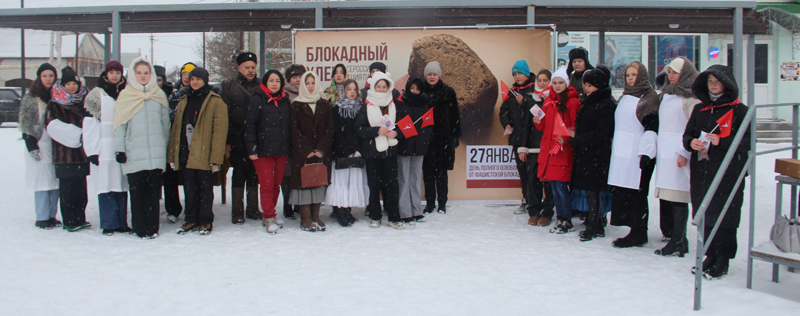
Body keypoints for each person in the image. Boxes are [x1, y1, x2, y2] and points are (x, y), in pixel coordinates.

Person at [683, 65, 749, 279]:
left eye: (716, 80)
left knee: (725, 216)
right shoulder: (700, 109)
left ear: (726, 83)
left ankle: (722, 259)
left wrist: (722, 141)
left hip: (728, 172)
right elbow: (688, 135)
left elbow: (748, 141)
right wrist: (691, 142)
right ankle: (709, 254)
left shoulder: (740, 111)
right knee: (705, 213)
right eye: (709, 80)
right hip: (702, 169)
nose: (712, 84)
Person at [113, 57, 170, 239]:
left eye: (146, 73)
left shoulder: (158, 95)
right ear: (132, 74)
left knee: (153, 194)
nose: (143, 76)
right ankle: (139, 227)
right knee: (137, 193)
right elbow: (119, 125)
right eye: (139, 73)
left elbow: (165, 125)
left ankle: (152, 227)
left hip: (155, 153)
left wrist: (165, 147)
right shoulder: (125, 95)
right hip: (134, 152)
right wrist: (119, 149)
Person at [168, 67, 228, 235]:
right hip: (186, 152)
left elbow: (220, 132)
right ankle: (190, 219)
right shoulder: (184, 99)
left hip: (204, 153)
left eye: (198, 79)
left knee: (205, 189)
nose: (194, 82)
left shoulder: (215, 101)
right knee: (190, 188)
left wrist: (215, 157)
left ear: (205, 80)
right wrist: (174, 153)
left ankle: (205, 220)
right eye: (192, 79)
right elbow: (176, 128)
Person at [607, 61, 659, 248]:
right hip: (622, 154)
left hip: (639, 155)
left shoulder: (649, 98)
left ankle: (639, 232)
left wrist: (646, 153)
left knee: (638, 194)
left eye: (634, 75)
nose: (630, 78)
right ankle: (632, 228)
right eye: (627, 75)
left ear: (642, 76)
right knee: (625, 193)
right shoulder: (624, 97)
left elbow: (652, 127)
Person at [654, 57, 700, 257]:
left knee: (678, 198)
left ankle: (678, 239)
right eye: (669, 72)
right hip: (665, 154)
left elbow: (696, 127)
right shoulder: (667, 95)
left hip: (679, 155)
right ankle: (677, 237)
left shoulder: (691, 98)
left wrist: (685, 152)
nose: (670, 76)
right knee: (668, 197)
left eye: (675, 72)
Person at [499, 61, 554, 226]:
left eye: (519, 73)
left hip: (539, 141)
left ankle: (546, 207)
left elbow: (540, 117)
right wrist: (507, 123)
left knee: (544, 177)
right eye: (514, 74)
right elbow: (504, 111)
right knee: (526, 175)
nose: (517, 76)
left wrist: (526, 103)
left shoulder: (535, 94)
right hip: (520, 139)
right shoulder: (512, 92)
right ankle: (529, 202)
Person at [83, 60, 131, 236]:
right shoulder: (95, 95)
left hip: (121, 146)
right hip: (102, 147)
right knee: (105, 185)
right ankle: (109, 223)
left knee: (120, 185)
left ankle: (121, 222)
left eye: (118, 72)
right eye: (111, 72)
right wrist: (92, 151)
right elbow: (89, 124)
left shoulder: (127, 93)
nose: (114, 75)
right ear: (105, 74)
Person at [570, 66, 616, 241]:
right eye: (585, 84)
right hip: (588, 153)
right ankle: (595, 225)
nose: (587, 88)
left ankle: (594, 227)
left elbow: (603, 132)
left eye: (590, 85)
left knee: (593, 191)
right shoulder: (590, 101)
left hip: (597, 154)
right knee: (591, 191)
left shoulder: (605, 103)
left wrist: (579, 139)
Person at [533, 68, 580, 233]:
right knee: (553, 187)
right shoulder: (548, 102)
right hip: (549, 151)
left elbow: (575, 126)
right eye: (555, 82)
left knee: (561, 187)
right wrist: (537, 120)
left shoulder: (573, 102)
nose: (557, 85)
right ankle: (560, 218)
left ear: (567, 83)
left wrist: (567, 139)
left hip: (562, 150)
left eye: (561, 82)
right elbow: (543, 126)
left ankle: (566, 219)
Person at [355, 71, 404, 229]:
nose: (382, 89)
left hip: (390, 152)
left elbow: (404, 126)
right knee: (374, 185)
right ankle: (375, 216)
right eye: (379, 86)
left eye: (385, 86)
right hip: (372, 153)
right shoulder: (366, 106)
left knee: (392, 186)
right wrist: (376, 131)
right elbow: (359, 129)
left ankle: (394, 217)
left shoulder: (394, 105)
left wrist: (396, 133)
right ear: (373, 87)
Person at [245, 69, 291, 234]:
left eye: (277, 81)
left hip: (282, 149)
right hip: (263, 151)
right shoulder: (257, 100)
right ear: (265, 82)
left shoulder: (285, 100)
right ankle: (268, 216)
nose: (274, 84)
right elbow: (250, 126)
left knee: (277, 184)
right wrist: (252, 148)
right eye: (271, 80)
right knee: (266, 185)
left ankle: (271, 212)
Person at [45, 66, 90, 232]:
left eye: (74, 84)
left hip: (82, 154)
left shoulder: (84, 102)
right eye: (68, 84)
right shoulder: (55, 104)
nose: (72, 87)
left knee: (81, 189)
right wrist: (77, 135)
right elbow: (52, 126)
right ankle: (70, 220)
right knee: (67, 190)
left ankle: (81, 217)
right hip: (64, 155)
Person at [288, 71, 334, 232]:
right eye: (307, 83)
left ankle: (316, 216)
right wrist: (306, 150)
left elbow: (330, 129)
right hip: (303, 154)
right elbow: (294, 131)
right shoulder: (296, 105)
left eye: (312, 83)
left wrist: (321, 149)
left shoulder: (325, 104)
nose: (310, 86)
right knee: (304, 184)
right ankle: (306, 218)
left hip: (321, 153)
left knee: (318, 183)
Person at [221, 52, 262, 224]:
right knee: (238, 174)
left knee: (254, 174)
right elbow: (224, 114)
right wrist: (227, 140)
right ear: (239, 68)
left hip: (257, 139)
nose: (250, 70)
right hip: (236, 138)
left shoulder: (262, 85)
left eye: (253, 67)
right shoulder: (229, 86)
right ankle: (237, 212)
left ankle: (252, 209)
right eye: (247, 67)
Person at [19, 63, 60, 229]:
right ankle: (42, 217)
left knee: (54, 182)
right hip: (39, 145)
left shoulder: (58, 95)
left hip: (56, 146)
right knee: (42, 182)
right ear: (39, 77)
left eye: (51, 76)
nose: (48, 79)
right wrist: (31, 145)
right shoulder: (31, 98)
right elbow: (26, 124)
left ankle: (52, 215)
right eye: (45, 76)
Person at [325, 78, 368, 227]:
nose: (352, 92)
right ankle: (340, 211)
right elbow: (335, 132)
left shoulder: (362, 108)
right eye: (349, 89)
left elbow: (361, 130)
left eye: (354, 89)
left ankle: (347, 210)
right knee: (341, 184)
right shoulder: (336, 108)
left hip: (356, 153)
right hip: (341, 152)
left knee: (352, 183)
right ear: (344, 91)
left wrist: (357, 149)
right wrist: (344, 150)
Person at [421, 61, 462, 214]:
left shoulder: (448, 92)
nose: (432, 77)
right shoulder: (420, 91)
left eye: (435, 74)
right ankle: (429, 203)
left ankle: (442, 204)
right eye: (429, 74)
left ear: (439, 75)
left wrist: (455, 135)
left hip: (443, 139)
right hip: (426, 140)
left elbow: (454, 115)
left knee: (442, 174)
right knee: (428, 173)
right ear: (425, 76)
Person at [396, 76, 433, 224]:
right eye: (412, 88)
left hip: (419, 148)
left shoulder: (424, 104)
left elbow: (429, 125)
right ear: (408, 88)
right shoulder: (400, 103)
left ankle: (416, 210)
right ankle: (405, 212)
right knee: (404, 179)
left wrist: (426, 137)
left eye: (417, 88)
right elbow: (397, 124)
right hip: (404, 147)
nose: (415, 91)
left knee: (416, 179)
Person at [163, 62, 197, 223]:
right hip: (174, 140)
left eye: (191, 75)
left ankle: (193, 209)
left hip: (193, 141)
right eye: (184, 74)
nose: (187, 78)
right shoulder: (172, 94)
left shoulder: (199, 94)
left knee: (192, 177)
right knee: (170, 176)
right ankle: (173, 209)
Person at [280, 63, 307, 220]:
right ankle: (287, 204)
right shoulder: (284, 95)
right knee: (288, 174)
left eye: (300, 77)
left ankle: (299, 203)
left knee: (302, 174)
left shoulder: (309, 92)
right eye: (294, 77)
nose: (298, 80)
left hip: (305, 141)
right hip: (289, 140)